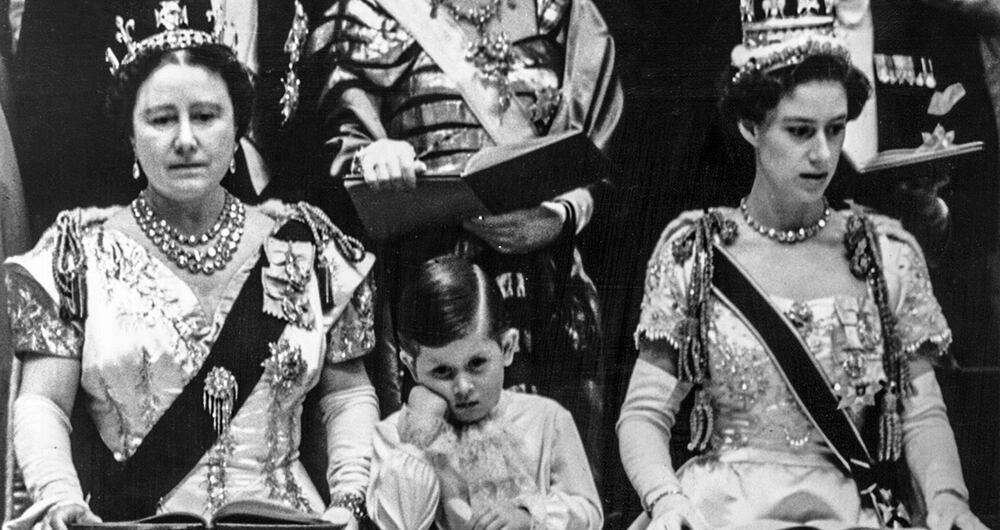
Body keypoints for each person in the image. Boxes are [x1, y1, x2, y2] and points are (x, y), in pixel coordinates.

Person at [616, 10, 989, 530]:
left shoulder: (883, 254)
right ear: (751, 127)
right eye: (799, 131)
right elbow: (643, 415)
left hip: (845, 512)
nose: (822, 153)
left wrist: (947, 498)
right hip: (719, 512)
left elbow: (921, 413)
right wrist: (666, 499)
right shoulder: (696, 250)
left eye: (835, 131)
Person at [2, 21, 377, 530]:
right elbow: (42, 402)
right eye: (160, 119)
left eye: (205, 116)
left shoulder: (307, 244)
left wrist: (349, 499)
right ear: (131, 136)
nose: (185, 140)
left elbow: (347, 395)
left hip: (292, 521)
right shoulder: (77, 254)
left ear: (238, 128)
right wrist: (62, 499)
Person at [300, 0, 623, 445]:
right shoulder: (371, 12)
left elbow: (598, 149)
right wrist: (371, 157)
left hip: (544, 285)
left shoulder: (562, 11)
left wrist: (561, 216)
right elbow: (343, 140)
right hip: (430, 286)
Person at [366, 255, 602, 530]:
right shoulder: (394, 436)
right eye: (442, 371)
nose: (463, 387)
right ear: (412, 367)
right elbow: (400, 524)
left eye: (476, 364)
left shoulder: (546, 418)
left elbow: (589, 513)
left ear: (507, 347)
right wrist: (418, 438)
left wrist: (531, 518)